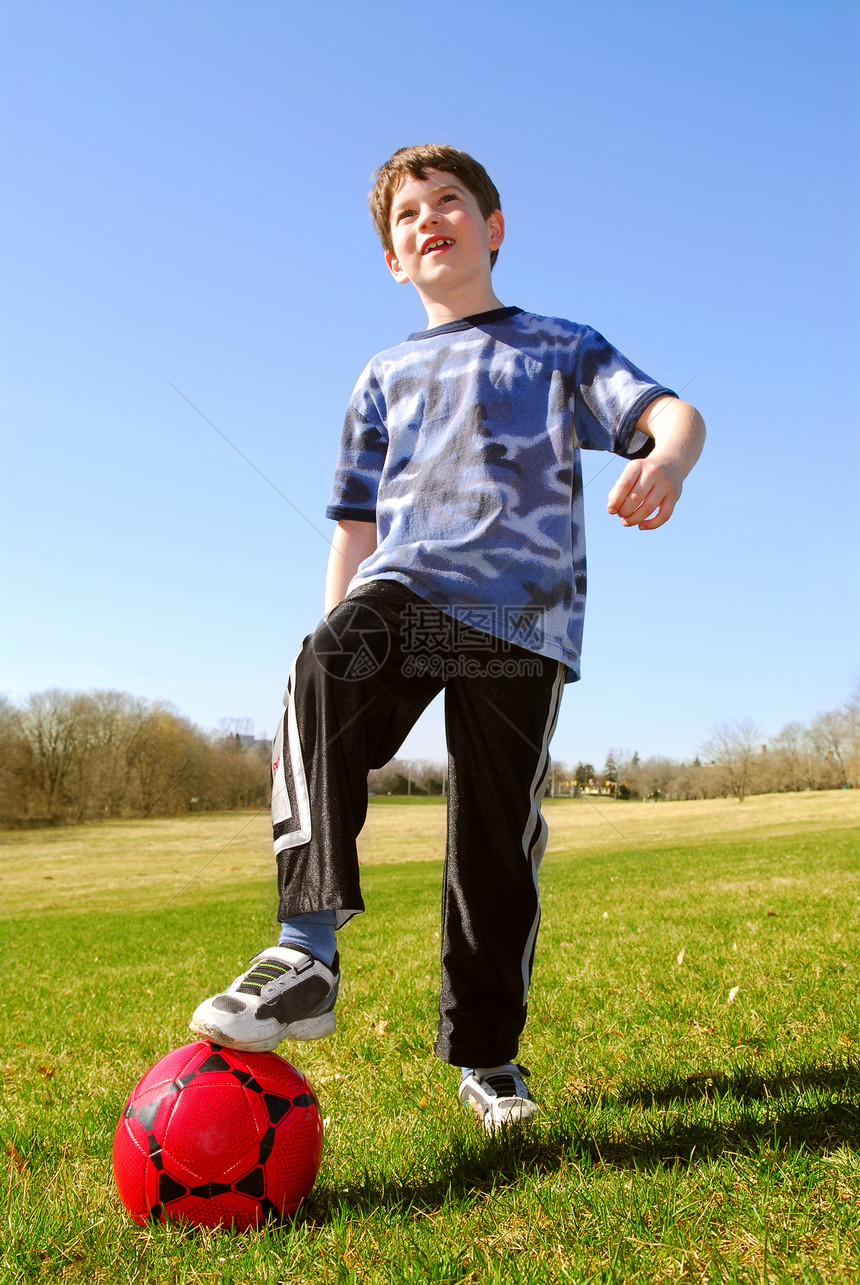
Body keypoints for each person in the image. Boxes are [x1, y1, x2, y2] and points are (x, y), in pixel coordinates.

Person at [191, 144, 705, 1130]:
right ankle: (305, 953)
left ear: (491, 225)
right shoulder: (381, 374)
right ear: (392, 258)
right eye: (407, 216)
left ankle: (488, 1061)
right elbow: (352, 525)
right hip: (409, 587)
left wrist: (666, 461)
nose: (429, 219)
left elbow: (668, 411)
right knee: (324, 667)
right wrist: (326, 663)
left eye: (449, 201)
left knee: (490, 841)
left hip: (521, 617)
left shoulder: (559, 346)